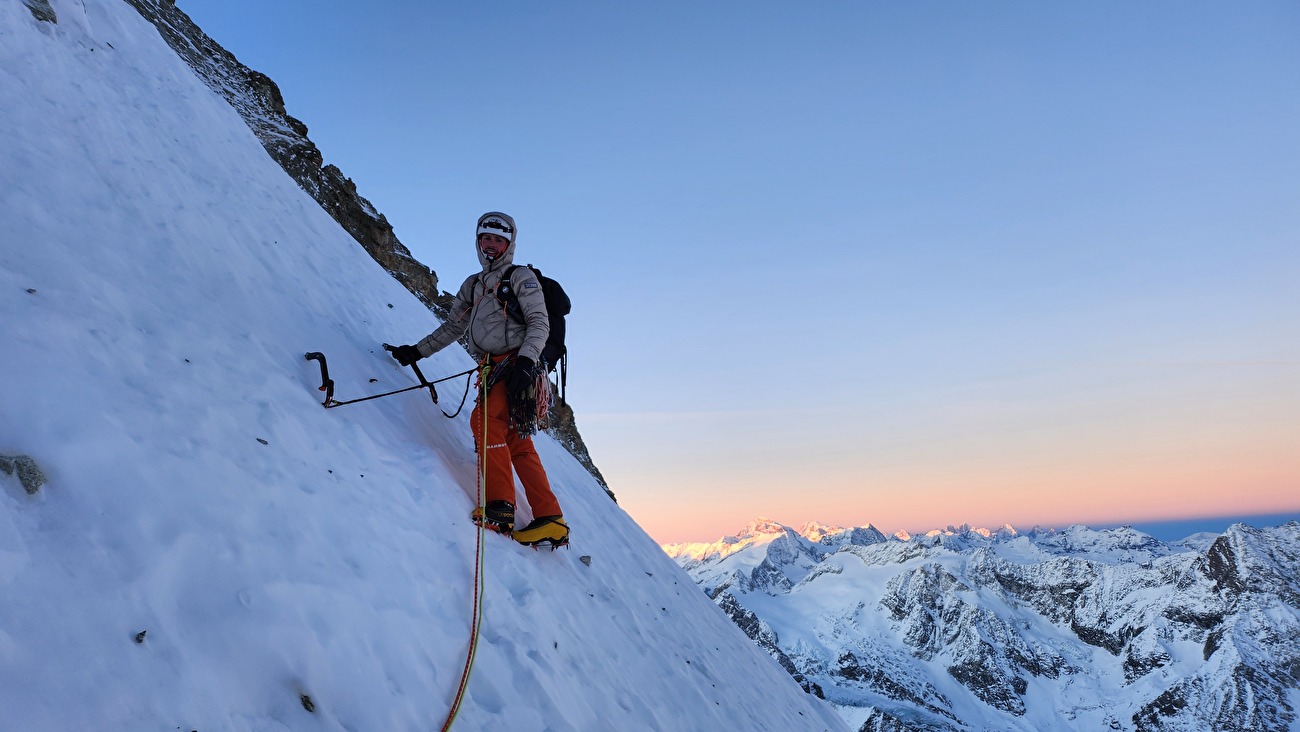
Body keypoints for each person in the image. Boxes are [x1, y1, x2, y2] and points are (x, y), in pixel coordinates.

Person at [389, 212, 569, 548]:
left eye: (499, 240)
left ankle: (500, 507)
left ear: (509, 244)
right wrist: (416, 352)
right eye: (486, 238)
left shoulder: (521, 277)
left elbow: (539, 323)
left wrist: (527, 364)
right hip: (499, 367)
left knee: (484, 420)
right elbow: (454, 326)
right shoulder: (473, 284)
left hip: (516, 366)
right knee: (517, 441)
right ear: (478, 241)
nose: (491, 245)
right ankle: (550, 518)